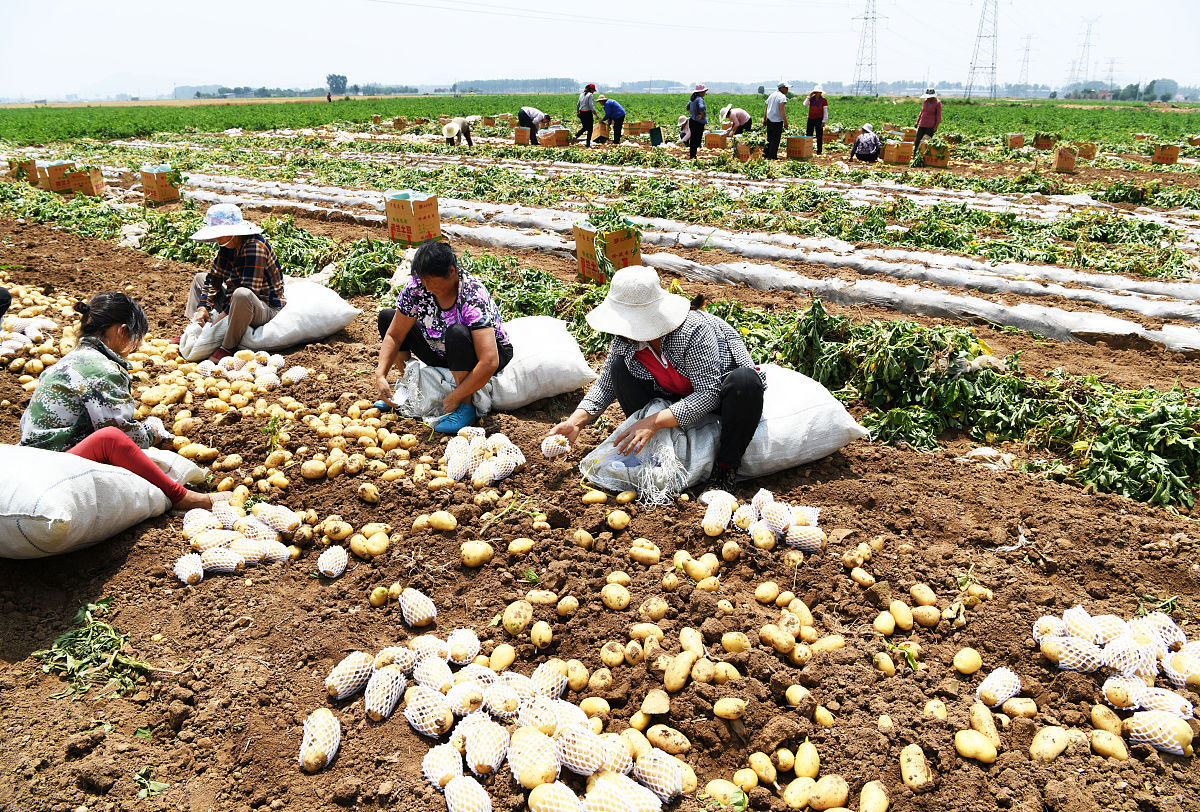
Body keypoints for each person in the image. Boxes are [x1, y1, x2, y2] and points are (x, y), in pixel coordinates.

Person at [545, 266, 766, 492]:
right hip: (670, 397)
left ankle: (725, 468)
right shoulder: (625, 339)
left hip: (719, 400)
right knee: (620, 369)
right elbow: (605, 385)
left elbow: (709, 394)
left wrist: (652, 422)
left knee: (745, 383)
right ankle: (655, 449)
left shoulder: (692, 331)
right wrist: (574, 422)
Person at [20, 293, 213, 510]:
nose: (135, 346)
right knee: (111, 438)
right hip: (54, 469)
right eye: (134, 337)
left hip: (30, 460)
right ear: (122, 331)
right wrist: (152, 434)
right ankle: (183, 497)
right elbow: (123, 434)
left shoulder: (64, 362)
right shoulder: (103, 368)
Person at [375, 241, 513, 433]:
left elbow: (489, 361)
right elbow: (394, 335)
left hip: (481, 352)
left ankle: (465, 407)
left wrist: (456, 396)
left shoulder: (472, 295)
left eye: (430, 281)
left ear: (451, 272)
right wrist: (381, 374)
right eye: (422, 280)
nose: (425, 286)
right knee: (387, 317)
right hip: (439, 347)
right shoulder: (418, 287)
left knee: (456, 332)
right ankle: (409, 386)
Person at [184, 204, 286, 364]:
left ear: (235, 231)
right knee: (200, 278)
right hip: (238, 300)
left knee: (241, 294)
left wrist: (221, 317)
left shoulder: (254, 247)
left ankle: (227, 348)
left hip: (264, 307)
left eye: (220, 234)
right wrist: (203, 306)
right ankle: (195, 330)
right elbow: (214, 278)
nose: (217, 239)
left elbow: (247, 289)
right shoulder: (228, 245)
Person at [763, 81, 789, 159]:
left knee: (769, 138)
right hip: (777, 121)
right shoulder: (782, 97)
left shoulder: (771, 95)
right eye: (786, 88)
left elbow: (766, 108)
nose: (787, 90)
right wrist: (785, 122)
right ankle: (772, 156)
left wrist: (764, 119)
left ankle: (765, 154)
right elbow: (782, 110)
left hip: (769, 119)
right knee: (775, 139)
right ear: (782, 88)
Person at [804, 84, 828, 155]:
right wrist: (808, 96)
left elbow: (825, 111)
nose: (818, 93)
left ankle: (819, 151)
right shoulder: (811, 99)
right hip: (811, 119)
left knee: (819, 135)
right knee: (809, 134)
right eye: (817, 92)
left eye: (819, 92)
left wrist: (824, 121)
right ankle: (808, 150)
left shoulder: (824, 100)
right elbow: (805, 104)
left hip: (819, 119)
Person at [686, 84, 708, 159]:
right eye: (704, 91)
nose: (705, 93)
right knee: (697, 139)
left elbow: (687, 107)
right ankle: (693, 156)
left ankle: (692, 155)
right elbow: (702, 107)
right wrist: (701, 115)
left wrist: (693, 113)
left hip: (692, 121)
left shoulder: (692, 99)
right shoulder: (700, 99)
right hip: (698, 122)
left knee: (693, 139)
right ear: (701, 92)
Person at [575, 83, 596, 147]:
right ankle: (588, 144)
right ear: (591, 89)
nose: (593, 92)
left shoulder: (581, 94)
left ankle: (576, 136)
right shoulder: (590, 95)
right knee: (590, 129)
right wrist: (596, 114)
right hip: (588, 113)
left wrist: (578, 112)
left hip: (582, 113)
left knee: (585, 127)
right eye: (593, 90)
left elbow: (578, 104)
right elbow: (591, 105)